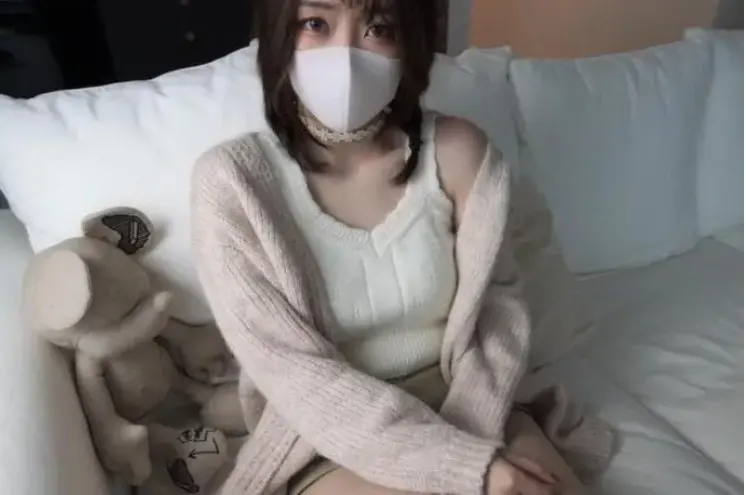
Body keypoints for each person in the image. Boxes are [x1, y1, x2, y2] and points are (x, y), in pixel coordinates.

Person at [191, 1, 611, 494]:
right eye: (316, 24)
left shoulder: (460, 155)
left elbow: (499, 320)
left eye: (379, 28)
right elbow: (293, 374)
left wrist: (470, 451)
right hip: (327, 437)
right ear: (280, 36)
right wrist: (462, 469)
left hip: (470, 406)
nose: (346, 55)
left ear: (409, 46)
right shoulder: (233, 183)